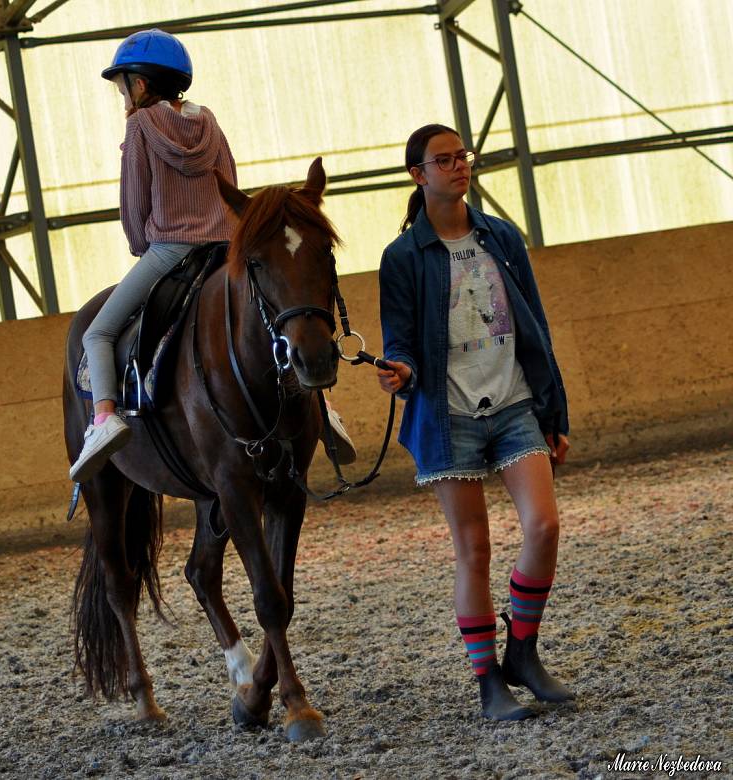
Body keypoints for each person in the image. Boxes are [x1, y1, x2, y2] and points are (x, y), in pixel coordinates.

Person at [70, 29, 355, 483]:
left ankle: (104, 421)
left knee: (98, 333)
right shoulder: (210, 122)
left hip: (169, 250)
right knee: (276, 323)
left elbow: (134, 202)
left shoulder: (140, 125)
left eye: (123, 84)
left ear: (140, 85)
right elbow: (231, 183)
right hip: (226, 247)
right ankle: (323, 412)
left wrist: (142, 245)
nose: (122, 94)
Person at [376, 124, 574, 721]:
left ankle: (524, 651)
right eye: (444, 159)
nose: (459, 166)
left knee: (543, 526)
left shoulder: (502, 237)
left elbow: (533, 324)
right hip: (448, 414)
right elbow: (401, 341)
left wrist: (553, 410)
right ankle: (489, 683)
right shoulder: (402, 257)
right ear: (419, 174)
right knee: (475, 550)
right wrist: (401, 372)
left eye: (463, 156)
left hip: (514, 403)